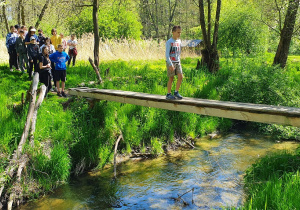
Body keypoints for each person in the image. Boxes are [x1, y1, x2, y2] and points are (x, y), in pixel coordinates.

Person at [165, 25, 183, 100]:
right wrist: (170, 64)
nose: (179, 34)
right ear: (173, 32)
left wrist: (179, 61)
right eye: (178, 32)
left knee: (180, 76)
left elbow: (178, 52)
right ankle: (168, 94)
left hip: (177, 61)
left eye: (180, 32)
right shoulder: (169, 42)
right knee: (171, 78)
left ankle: (176, 92)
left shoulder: (179, 41)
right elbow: (167, 54)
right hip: (171, 62)